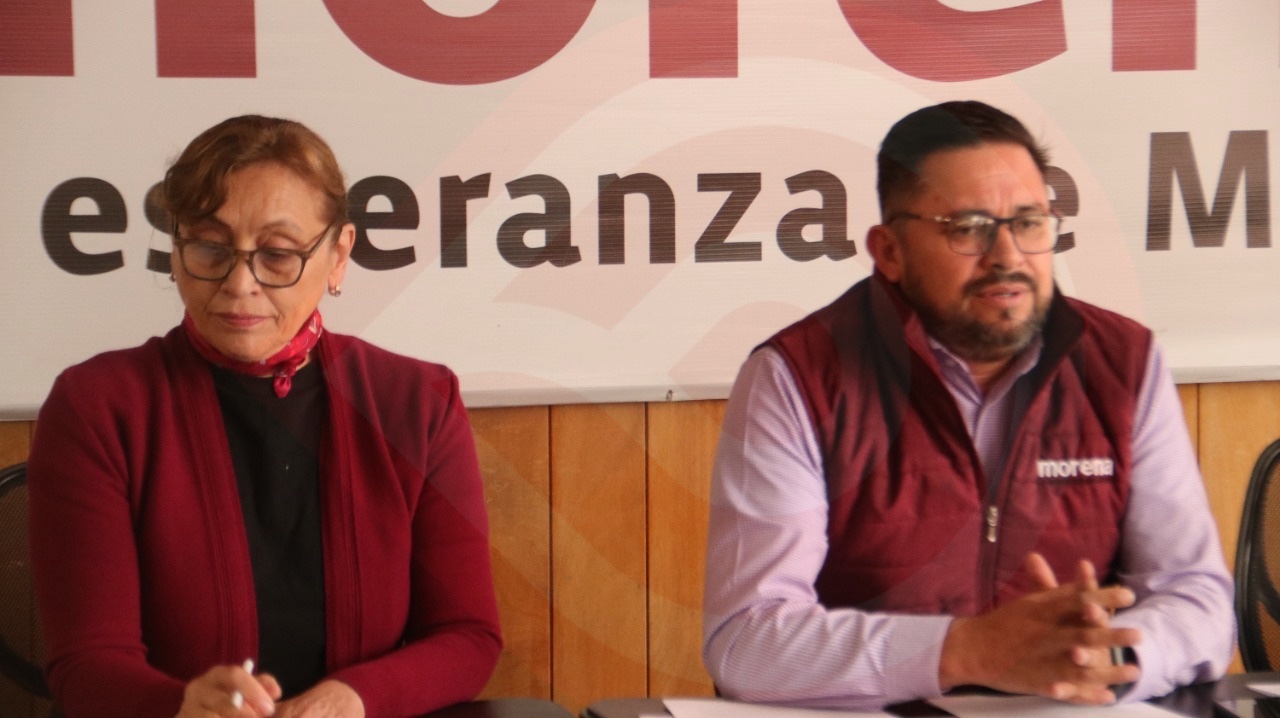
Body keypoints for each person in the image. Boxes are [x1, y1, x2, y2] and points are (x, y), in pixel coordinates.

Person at [701, 100, 1234, 710]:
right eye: (969, 228)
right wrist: (965, 651)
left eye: (1028, 222)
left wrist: (1106, 657)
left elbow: (1197, 596)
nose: (1007, 255)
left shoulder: (1123, 365)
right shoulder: (799, 376)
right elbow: (746, 639)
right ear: (889, 251)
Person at [26, 115, 502, 718]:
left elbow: (467, 635)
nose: (239, 283)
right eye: (209, 247)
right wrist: (181, 706)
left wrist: (355, 699)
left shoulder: (418, 402)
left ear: (338, 256)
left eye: (277, 255)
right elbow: (85, 663)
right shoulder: (96, 406)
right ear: (175, 248)